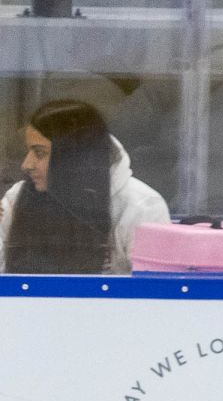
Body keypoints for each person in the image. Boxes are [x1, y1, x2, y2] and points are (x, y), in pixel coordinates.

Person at [0, 98, 169, 274]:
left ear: (75, 157)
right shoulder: (16, 198)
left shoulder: (143, 207)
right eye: (29, 151)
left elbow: (155, 292)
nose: (26, 165)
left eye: (40, 153)